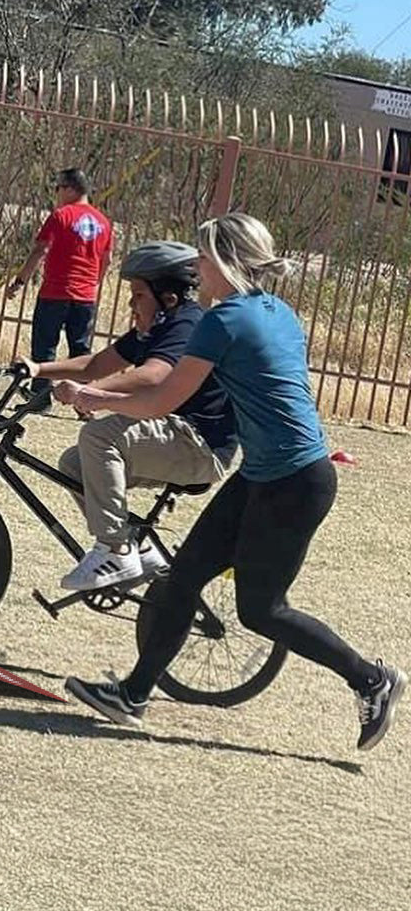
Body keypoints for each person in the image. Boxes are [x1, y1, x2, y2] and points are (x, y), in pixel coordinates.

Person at [58, 212, 405, 752]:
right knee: (181, 578)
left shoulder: (223, 321)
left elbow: (164, 399)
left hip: (293, 483)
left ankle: (372, 679)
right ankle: (132, 694)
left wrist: (93, 397)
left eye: (202, 257)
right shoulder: (278, 311)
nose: (196, 268)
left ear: (225, 261)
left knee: (262, 610)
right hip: (266, 474)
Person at [22, 241, 237, 592]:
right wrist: (38, 368)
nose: (130, 304)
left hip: (199, 446)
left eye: (138, 295)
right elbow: (95, 364)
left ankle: (116, 549)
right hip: (177, 437)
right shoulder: (158, 326)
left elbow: (154, 375)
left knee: (99, 435)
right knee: (75, 464)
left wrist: (93, 394)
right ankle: (139, 546)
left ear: (167, 297)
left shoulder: (186, 324)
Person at [6, 168, 112, 400]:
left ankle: (40, 397)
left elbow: (40, 250)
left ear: (70, 189)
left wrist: (20, 280)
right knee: (81, 352)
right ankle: (85, 400)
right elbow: (107, 260)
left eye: (59, 188)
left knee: (45, 347)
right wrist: (94, 283)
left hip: (56, 292)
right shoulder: (104, 222)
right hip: (85, 296)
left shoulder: (61, 216)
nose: (57, 193)